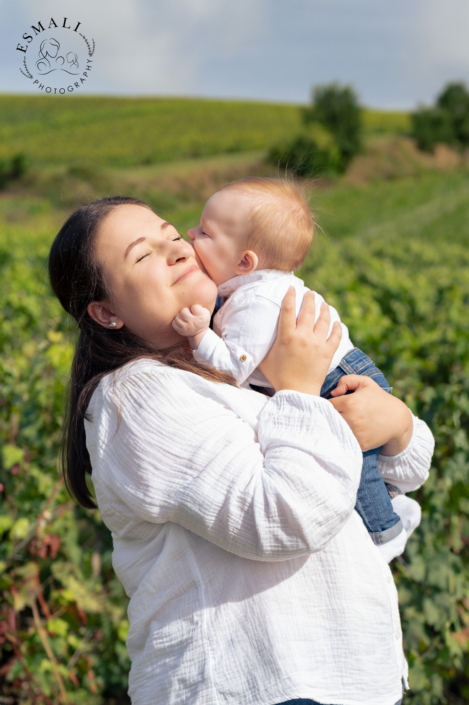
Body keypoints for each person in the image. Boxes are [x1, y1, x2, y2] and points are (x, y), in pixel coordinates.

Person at [48, 196, 434, 705]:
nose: (176, 250)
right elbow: (284, 517)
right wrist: (298, 390)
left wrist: (398, 424)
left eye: (172, 236)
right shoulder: (134, 396)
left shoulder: (235, 356)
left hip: (346, 678)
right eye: (143, 255)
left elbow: (391, 475)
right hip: (254, 683)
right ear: (106, 311)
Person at [172, 177, 420, 562]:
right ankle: (392, 506)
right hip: (346, 370)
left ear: (244, 262)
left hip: (336, 382)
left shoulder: (256, 303)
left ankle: (383, 535)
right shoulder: (255, 289)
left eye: (205, 231)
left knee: (356, 464)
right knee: (357, 461)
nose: (190, 233)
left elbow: (235, 368)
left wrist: (200, 336)